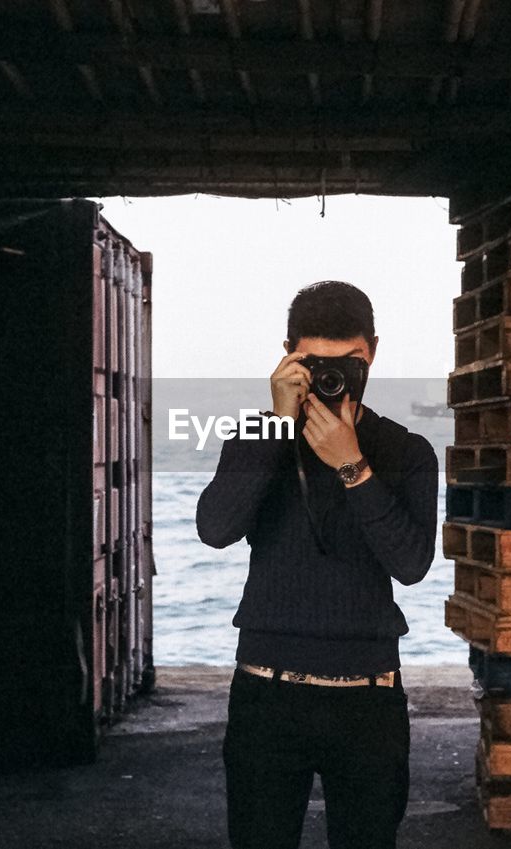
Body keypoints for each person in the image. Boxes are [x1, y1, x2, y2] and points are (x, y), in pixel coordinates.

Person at [196, 280, 440, 849]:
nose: (335, 377)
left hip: (369, 700)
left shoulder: (406, 452)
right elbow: (214, 529)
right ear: (289, 357)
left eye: (350, 362)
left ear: (372, 352)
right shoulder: (258, 438)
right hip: (267, 694)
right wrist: (277, 426)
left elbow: (411, 564)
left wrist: (352, 466)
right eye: (316, 363)